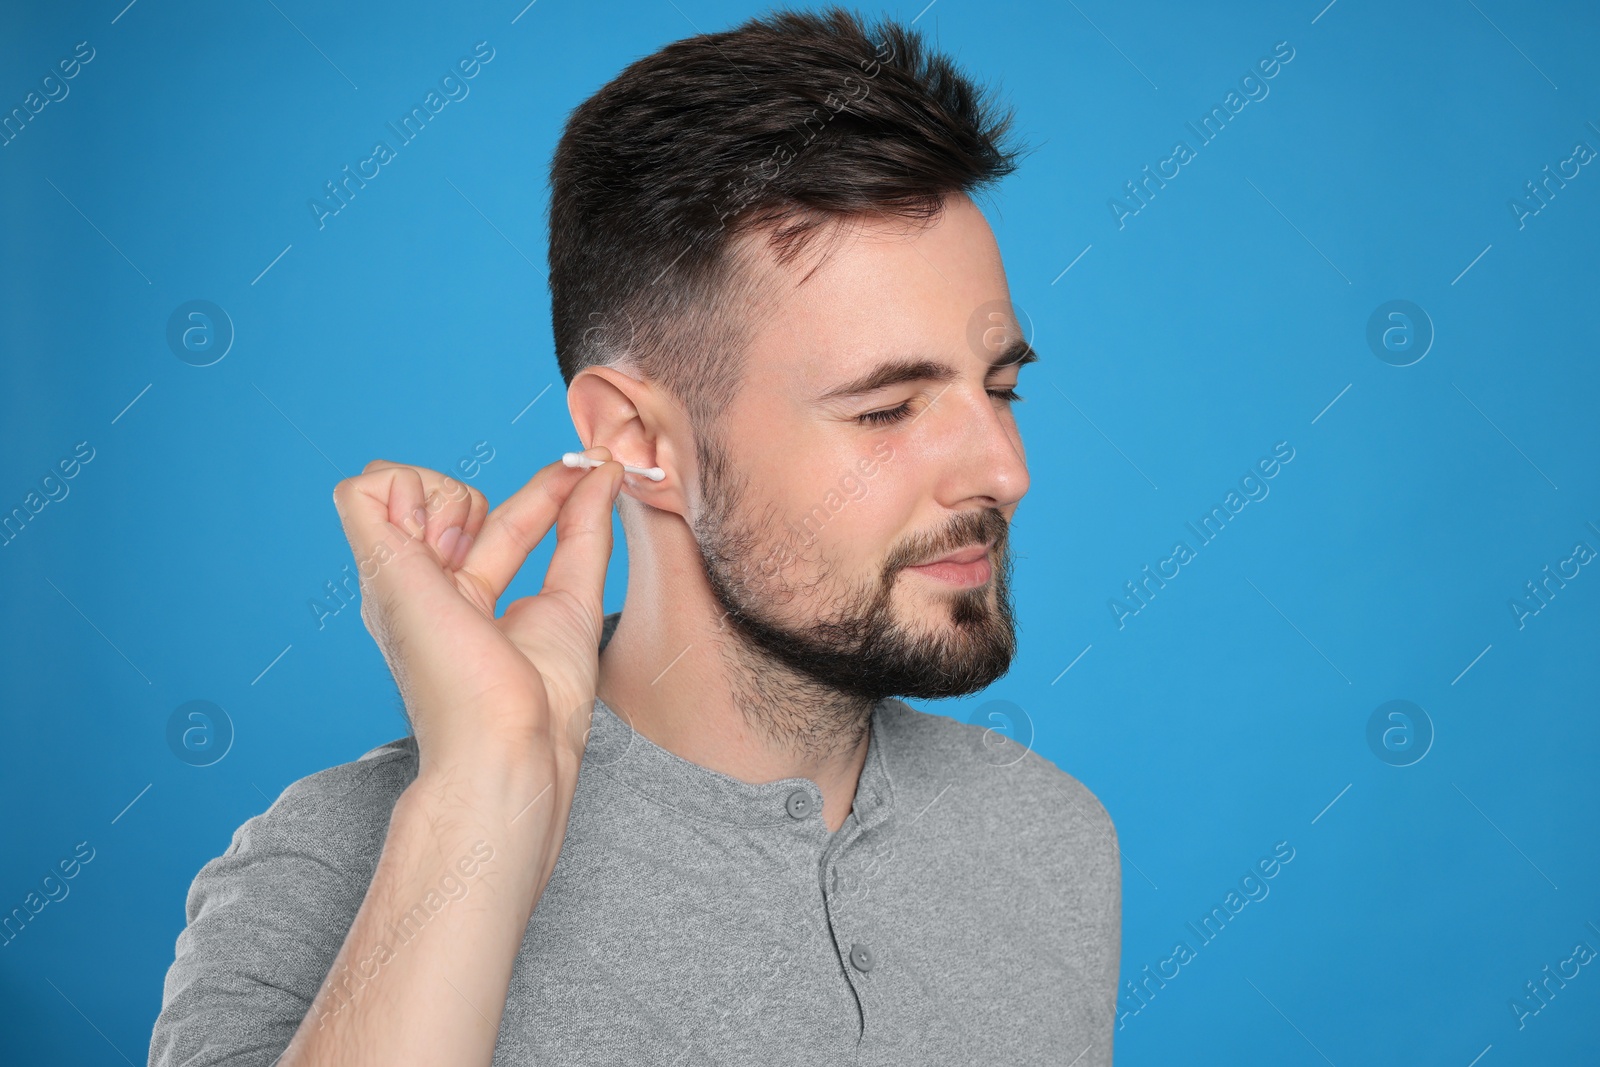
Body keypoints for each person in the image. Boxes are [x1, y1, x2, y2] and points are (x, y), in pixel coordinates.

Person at [149, 7, 1120, 1064]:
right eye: (886, 410)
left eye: (1001, 388)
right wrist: (483, 797)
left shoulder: (1053, 838)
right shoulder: (332, 864)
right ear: (640, 438)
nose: (1003, 473)